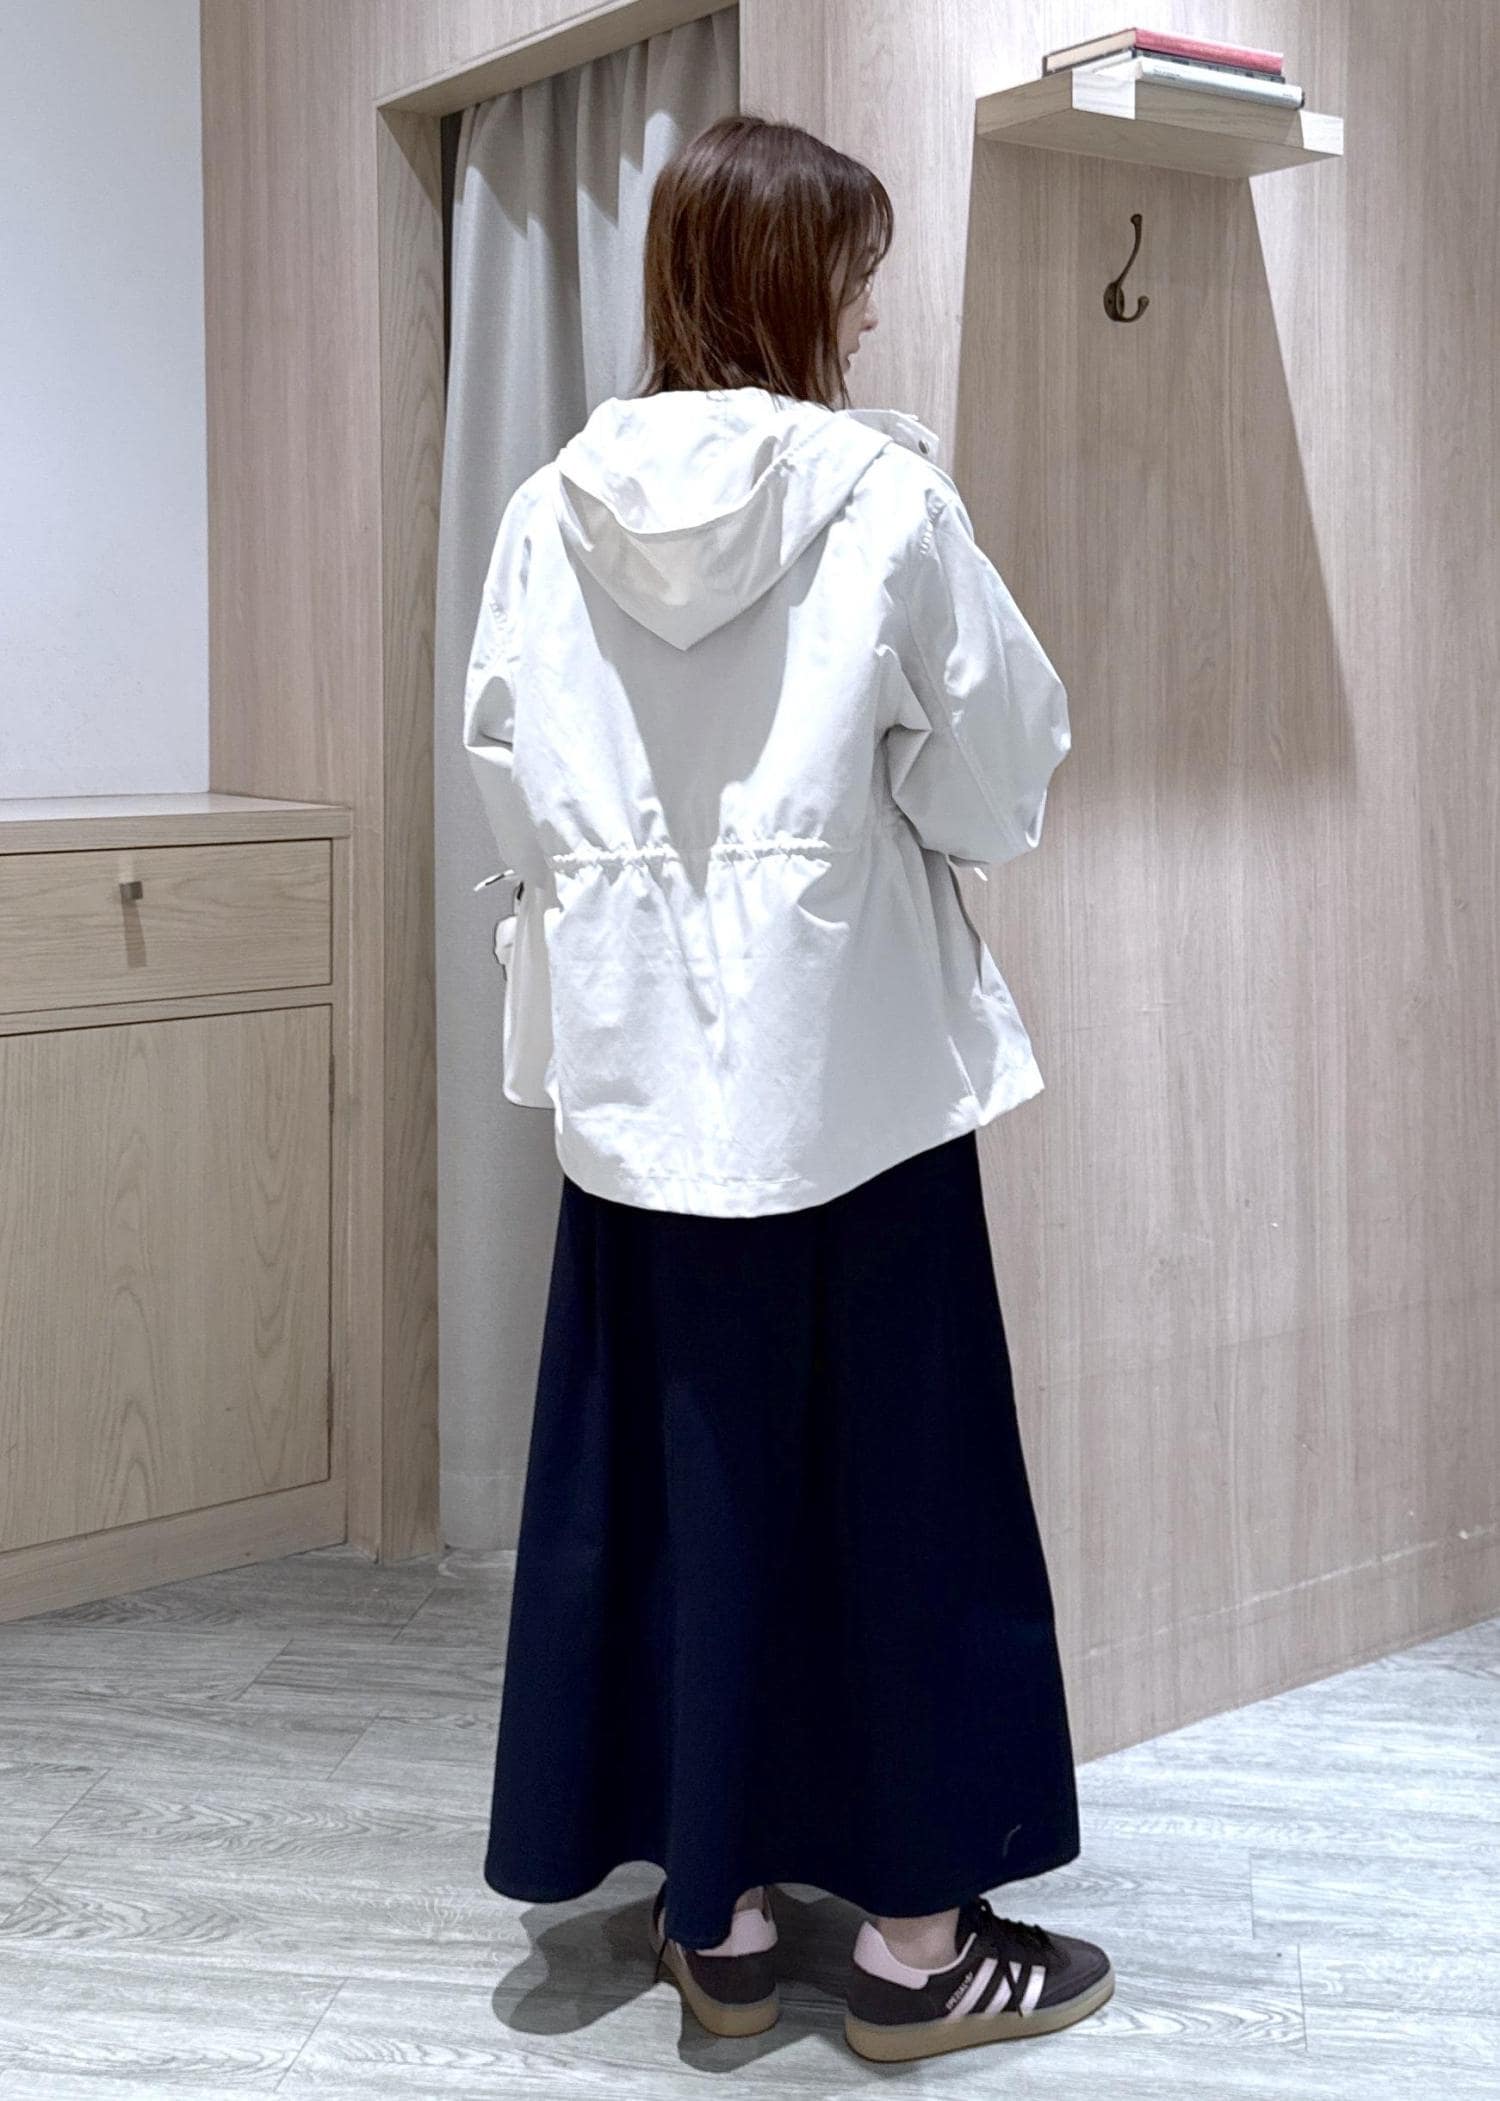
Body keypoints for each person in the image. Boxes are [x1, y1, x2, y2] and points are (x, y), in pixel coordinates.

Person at [461, 109, 1112, 2066]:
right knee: (907, 1495)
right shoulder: (883, 499)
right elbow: (996, 780)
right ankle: (915, 1948)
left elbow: (512, 790)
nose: (869, 308)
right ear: (786, 281)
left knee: (688, 1500)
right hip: (856, 1087)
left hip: (640, 1104)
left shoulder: (545, 512)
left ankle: (719, 1922)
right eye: (852, 269)